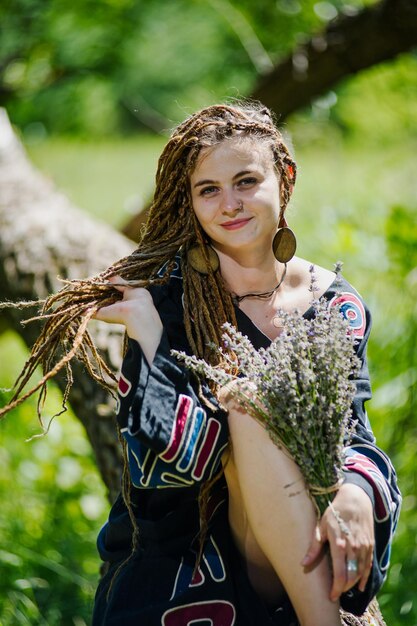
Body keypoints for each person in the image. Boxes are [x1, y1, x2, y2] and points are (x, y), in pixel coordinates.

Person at [2, 102, 398, 625]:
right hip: (195, 547)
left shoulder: (334, 305)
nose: (229, 204)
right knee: (248, 402)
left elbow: (351, 429)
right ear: (189, 201)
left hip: (306, 526)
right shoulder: (170, 298)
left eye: (246, 181)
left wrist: (354, 491)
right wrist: (147, 330)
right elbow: (170, 465)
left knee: (271, 416)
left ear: (285, 178)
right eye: (208, 189)